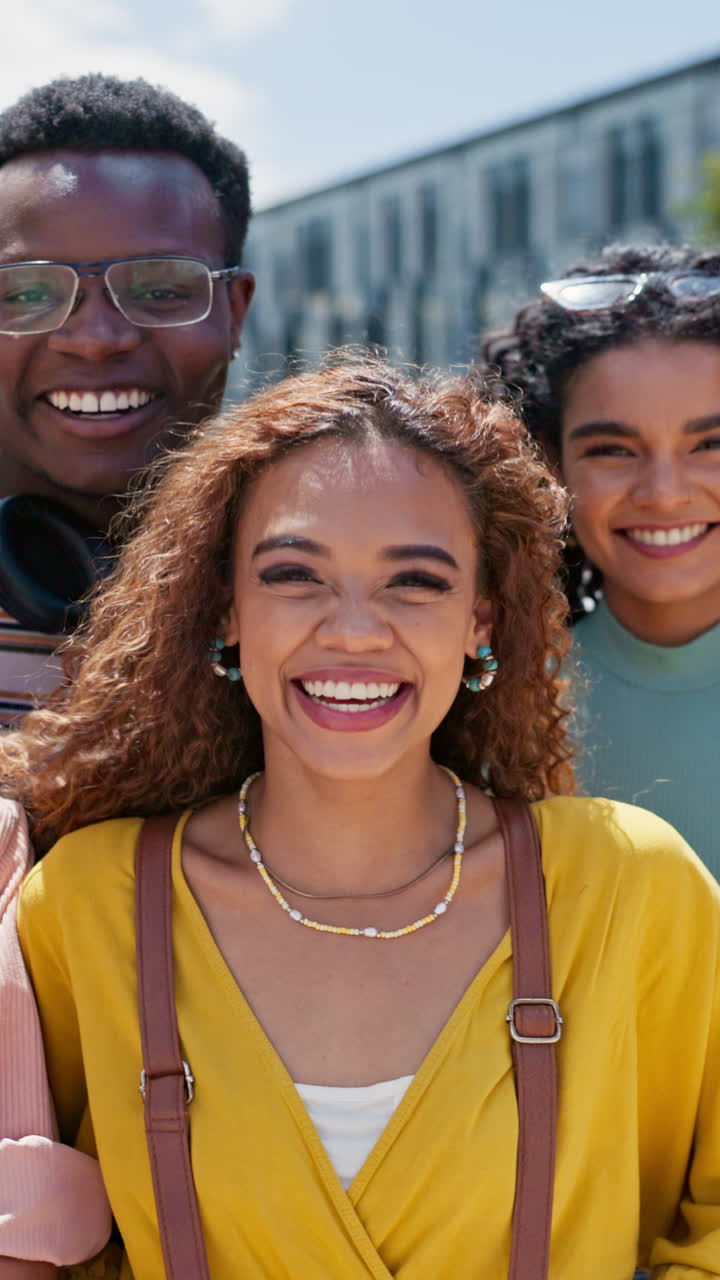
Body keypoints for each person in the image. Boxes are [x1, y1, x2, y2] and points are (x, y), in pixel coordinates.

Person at [3, 355, 720, 1278]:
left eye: (415, 582)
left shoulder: (628, 886)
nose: (352, 630)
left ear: (482, 621)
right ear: (225, 610)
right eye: (294, 575)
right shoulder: (88, 905)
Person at [0, 71, 254, 723]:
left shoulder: (331, 596)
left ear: (236, 311)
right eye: (27, 293)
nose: (94, 339)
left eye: (161, 288)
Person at [482, 244, 720, 873]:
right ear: (549, 464)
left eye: (711, 443)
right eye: (614, 449)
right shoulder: (496, 708)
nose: (665, 492)